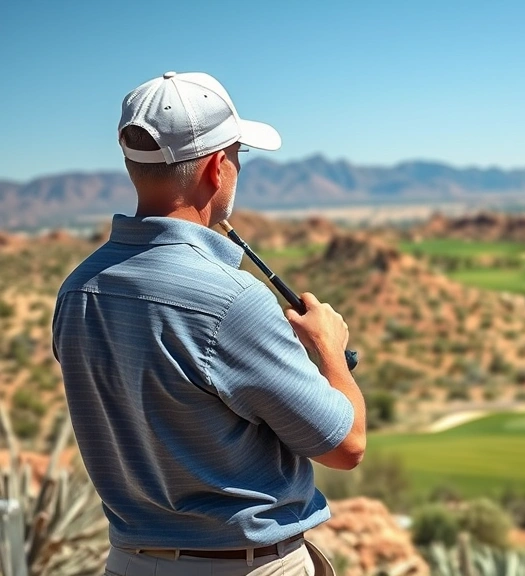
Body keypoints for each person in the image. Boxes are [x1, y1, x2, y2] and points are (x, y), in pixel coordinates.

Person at [50, 71, 366, 576]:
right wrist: (331, 351)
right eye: (238, 157)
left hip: (127, 562)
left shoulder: (78, 290)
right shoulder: (233, 301)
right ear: (217, 168)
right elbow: (345, 446)